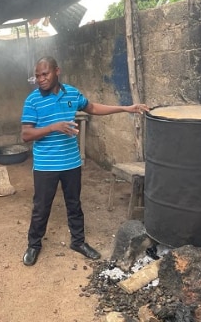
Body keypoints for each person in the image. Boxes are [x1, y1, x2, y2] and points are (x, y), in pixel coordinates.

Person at [21, 56, 149, 266]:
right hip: (46, 165)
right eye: (37, 76)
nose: (41, 79)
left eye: (45, 74)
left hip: (71, 163)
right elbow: (26, 134)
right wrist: (53, 127)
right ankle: (34, 245)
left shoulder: (71, 93)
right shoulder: (32, 100)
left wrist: (126, 108)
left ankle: (78, 242)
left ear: (57, 71)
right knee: (41, 207)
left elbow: (93, 108)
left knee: (74, 204)